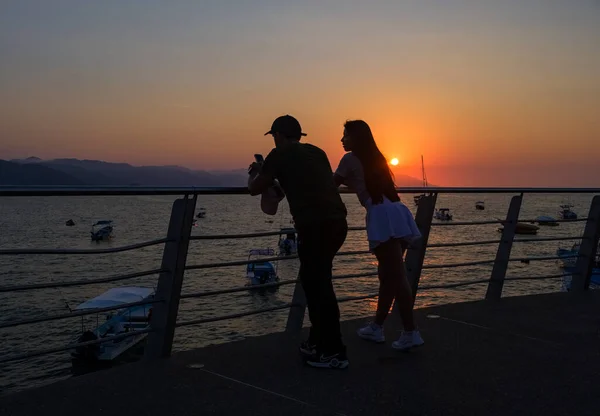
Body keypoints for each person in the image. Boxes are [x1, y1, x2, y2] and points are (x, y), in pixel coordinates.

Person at [248, 115, 349, 369]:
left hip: (314, 227)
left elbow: (255, 188)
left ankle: (334, 352)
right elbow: (304, 184)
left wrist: (257, 172)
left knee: (319, 290)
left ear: (278, 135)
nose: (274, 140)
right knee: (316, 284)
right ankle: (317, 342)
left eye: (274, 136)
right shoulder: (318, 152)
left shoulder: (278, 153)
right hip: (337, 223)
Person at [333, 119, 424, 351]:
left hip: (382, 216)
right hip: (397, 210)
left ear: (356, 138)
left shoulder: (349, 159)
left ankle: (411, 332)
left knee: (396, 276)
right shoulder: (376, 158)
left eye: (346, 135)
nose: (342, 139)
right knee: (388, 275)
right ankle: (377, 327)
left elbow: (330, 184)